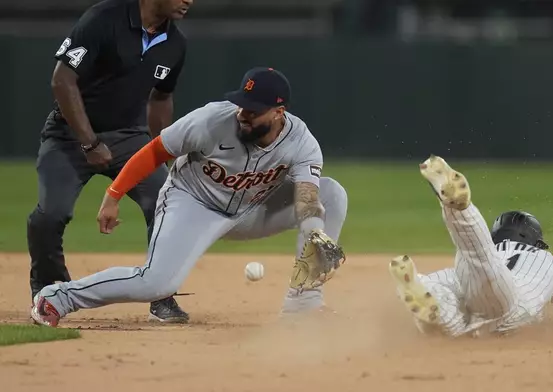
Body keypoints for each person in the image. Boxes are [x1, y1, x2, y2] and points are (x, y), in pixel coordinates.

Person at [30, 66, 348, 328]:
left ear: (279, 113)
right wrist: (114, 194)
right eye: (242, 105)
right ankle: (57, 297)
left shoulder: (301, 142)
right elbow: (154, 152)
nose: (243, 114)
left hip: (252, 209)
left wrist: (315, 235)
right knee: (157, 283)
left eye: (253, 110)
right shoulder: (210, 121)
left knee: (332, 194)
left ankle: (303, 303)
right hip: (193, 204)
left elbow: (308, 197)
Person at [27, 0, 194, 323]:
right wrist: (89, 141)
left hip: (130, 138)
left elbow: (162, 97)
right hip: (69, 136)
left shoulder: (175, 43)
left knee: (167, 203)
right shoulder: (104, 18)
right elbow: (62, 79)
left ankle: (162, 295)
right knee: (51, 214)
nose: (189, 0)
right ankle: (47, 289)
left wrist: (163, 152)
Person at [388, 155, 553, 338]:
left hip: (472, 284)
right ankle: (459, 208)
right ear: (534, 239)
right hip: (511, 303)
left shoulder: (498, 250)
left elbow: (461, 272)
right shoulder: (550, 262)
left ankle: (426, 291)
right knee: (477, 259)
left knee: (463, 281)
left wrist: (417, 285)